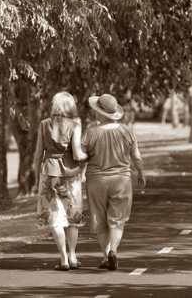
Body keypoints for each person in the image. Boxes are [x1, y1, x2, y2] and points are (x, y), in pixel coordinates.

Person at [83, 94, 145, 271]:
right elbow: (136, 156)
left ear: (100, 114)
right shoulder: (126, 131)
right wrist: (141, 172)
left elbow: (82, 156)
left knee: (99, 219)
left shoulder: (91, 132)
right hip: (121, 180)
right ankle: (114, 251)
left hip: (96, 180)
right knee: (117, 220)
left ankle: (105, 255)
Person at [33, 91, 88, 271]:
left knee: (55, 218)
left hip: (49, 174)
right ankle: (73, 255)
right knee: (73, 217)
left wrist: (36, 177)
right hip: (71, 174)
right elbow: (78, 153)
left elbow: (37, 155)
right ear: (70, 106)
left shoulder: (43, 125)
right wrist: (88, 157)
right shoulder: (76, 124)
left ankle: (63, 258)